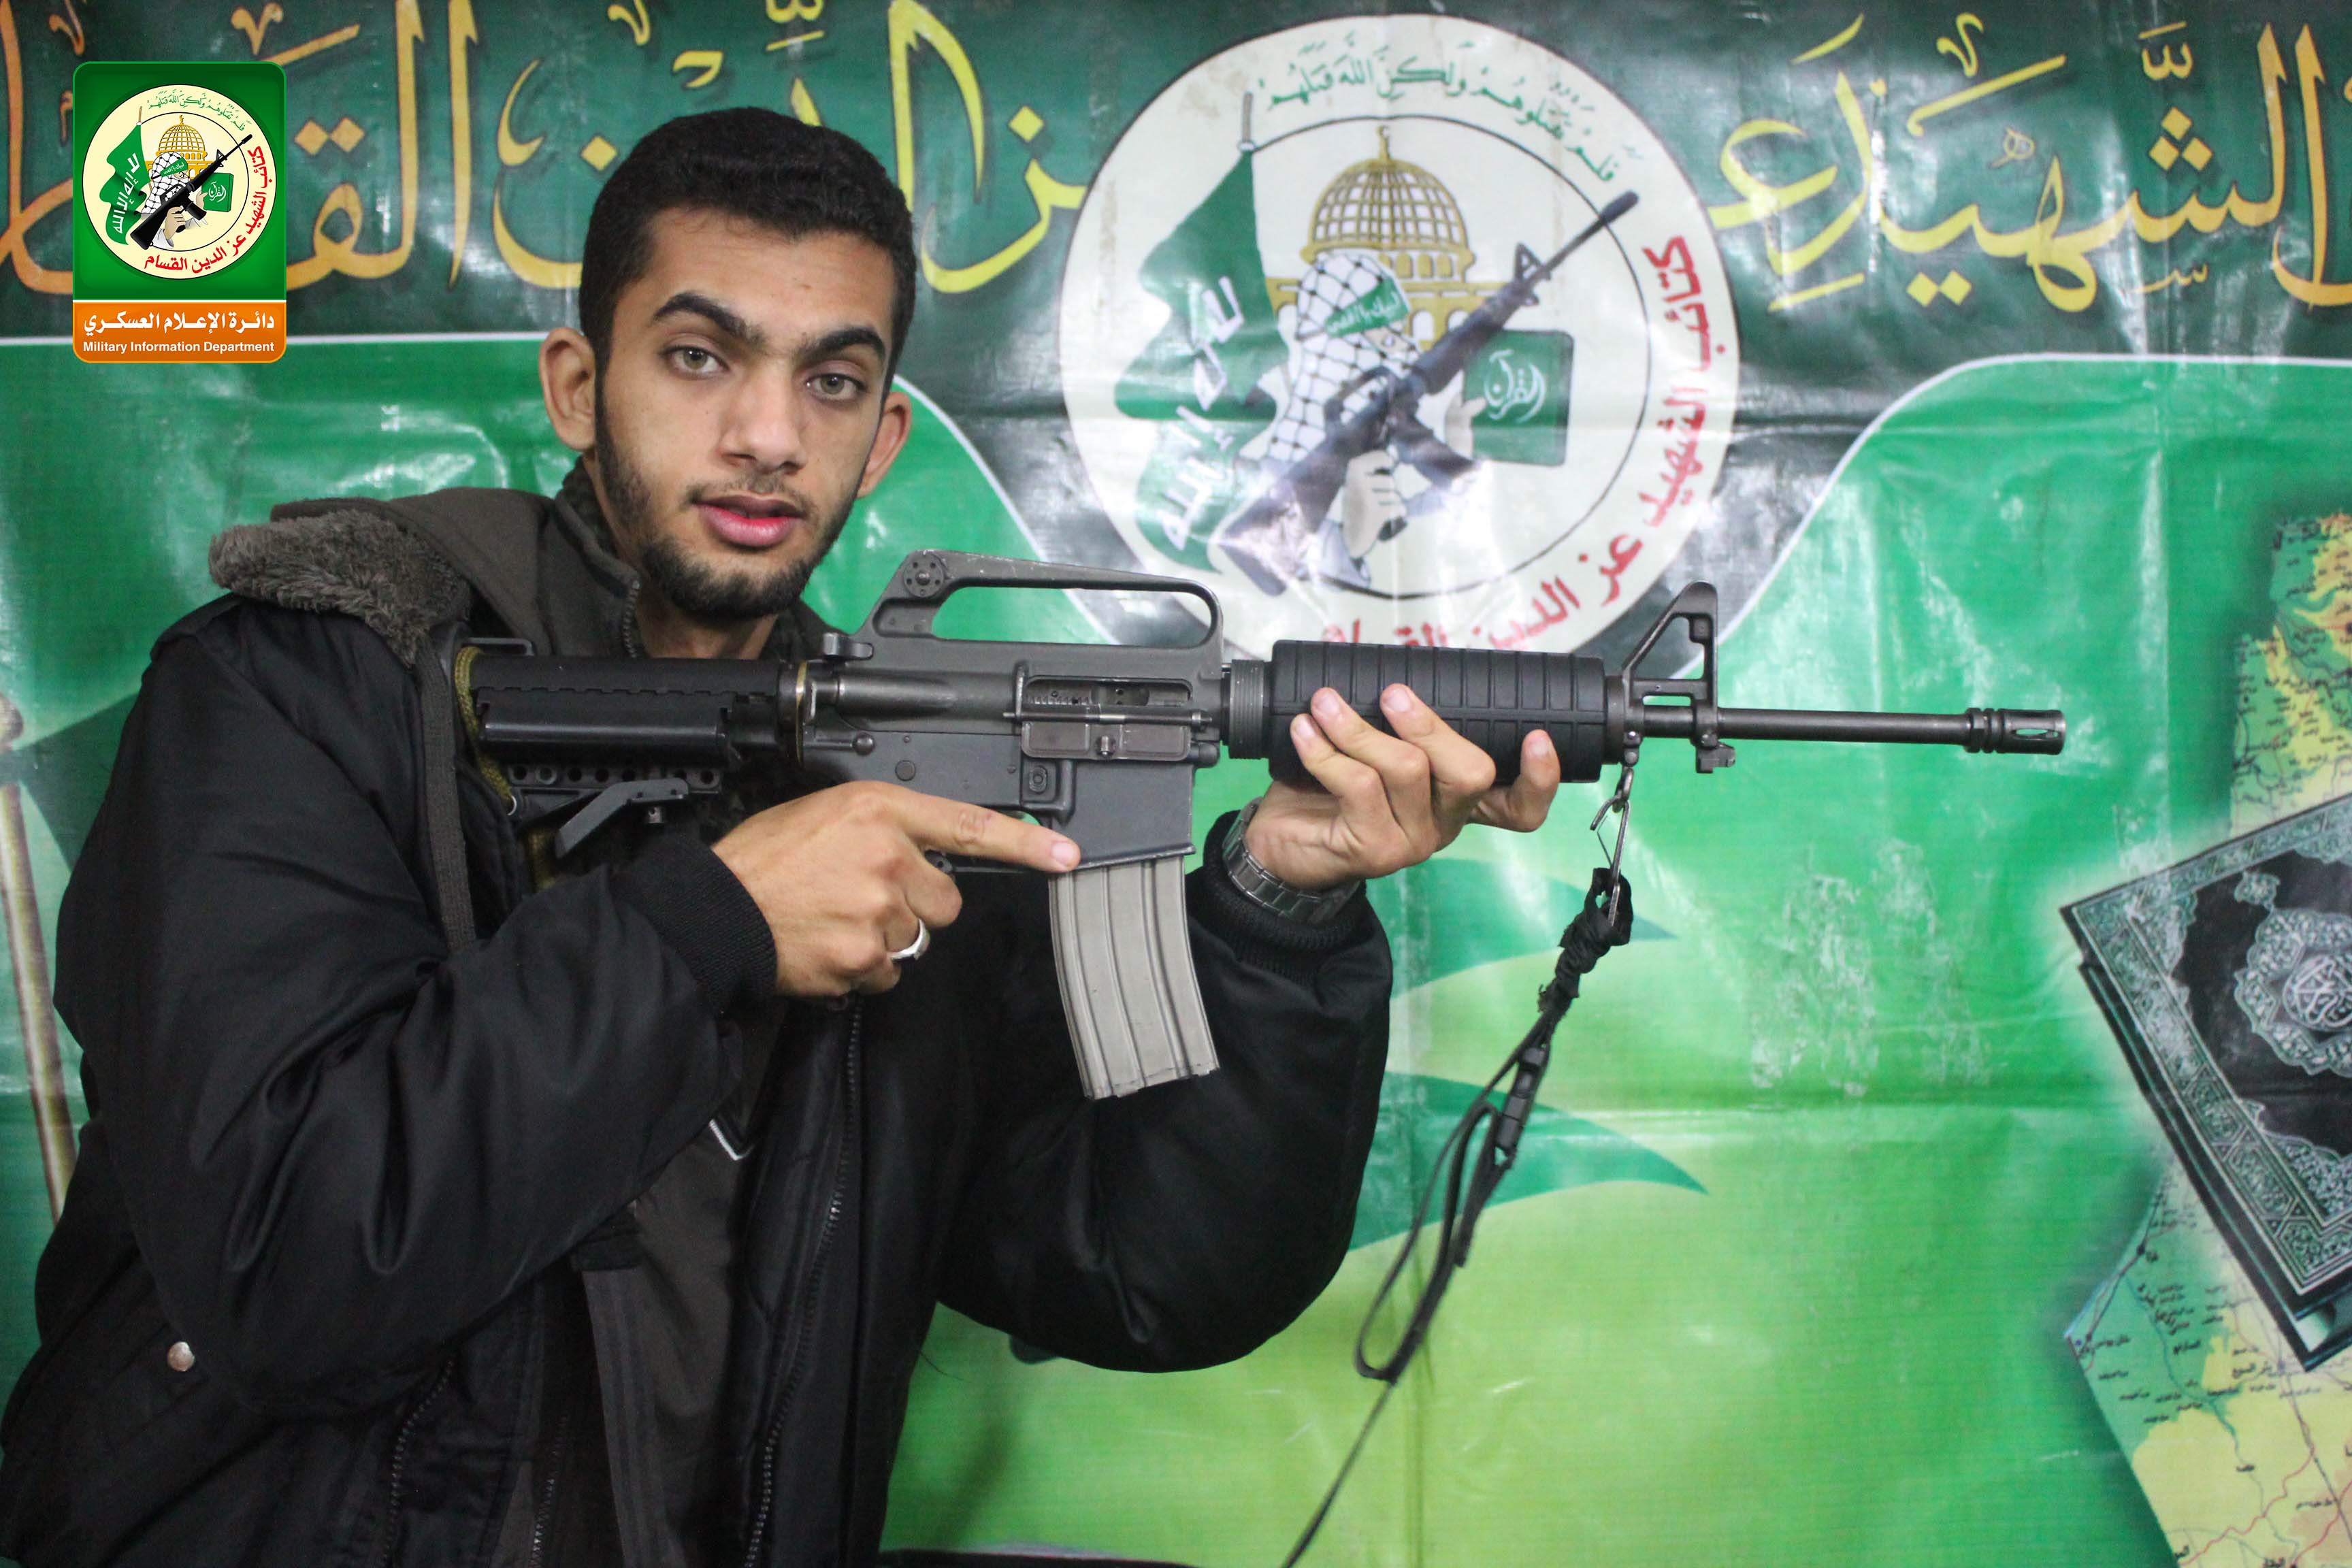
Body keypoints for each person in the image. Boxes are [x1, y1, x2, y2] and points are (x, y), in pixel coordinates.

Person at [0, 110, 1560, 1567]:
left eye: (831, 381)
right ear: (576, 385)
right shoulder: (305, 689)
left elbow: (1137, 1269)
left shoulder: (909, 770)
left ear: (882, 440)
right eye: (699, 357)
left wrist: (1279, 911)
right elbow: (285, 1259)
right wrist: (709, 928)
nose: (766, 434)